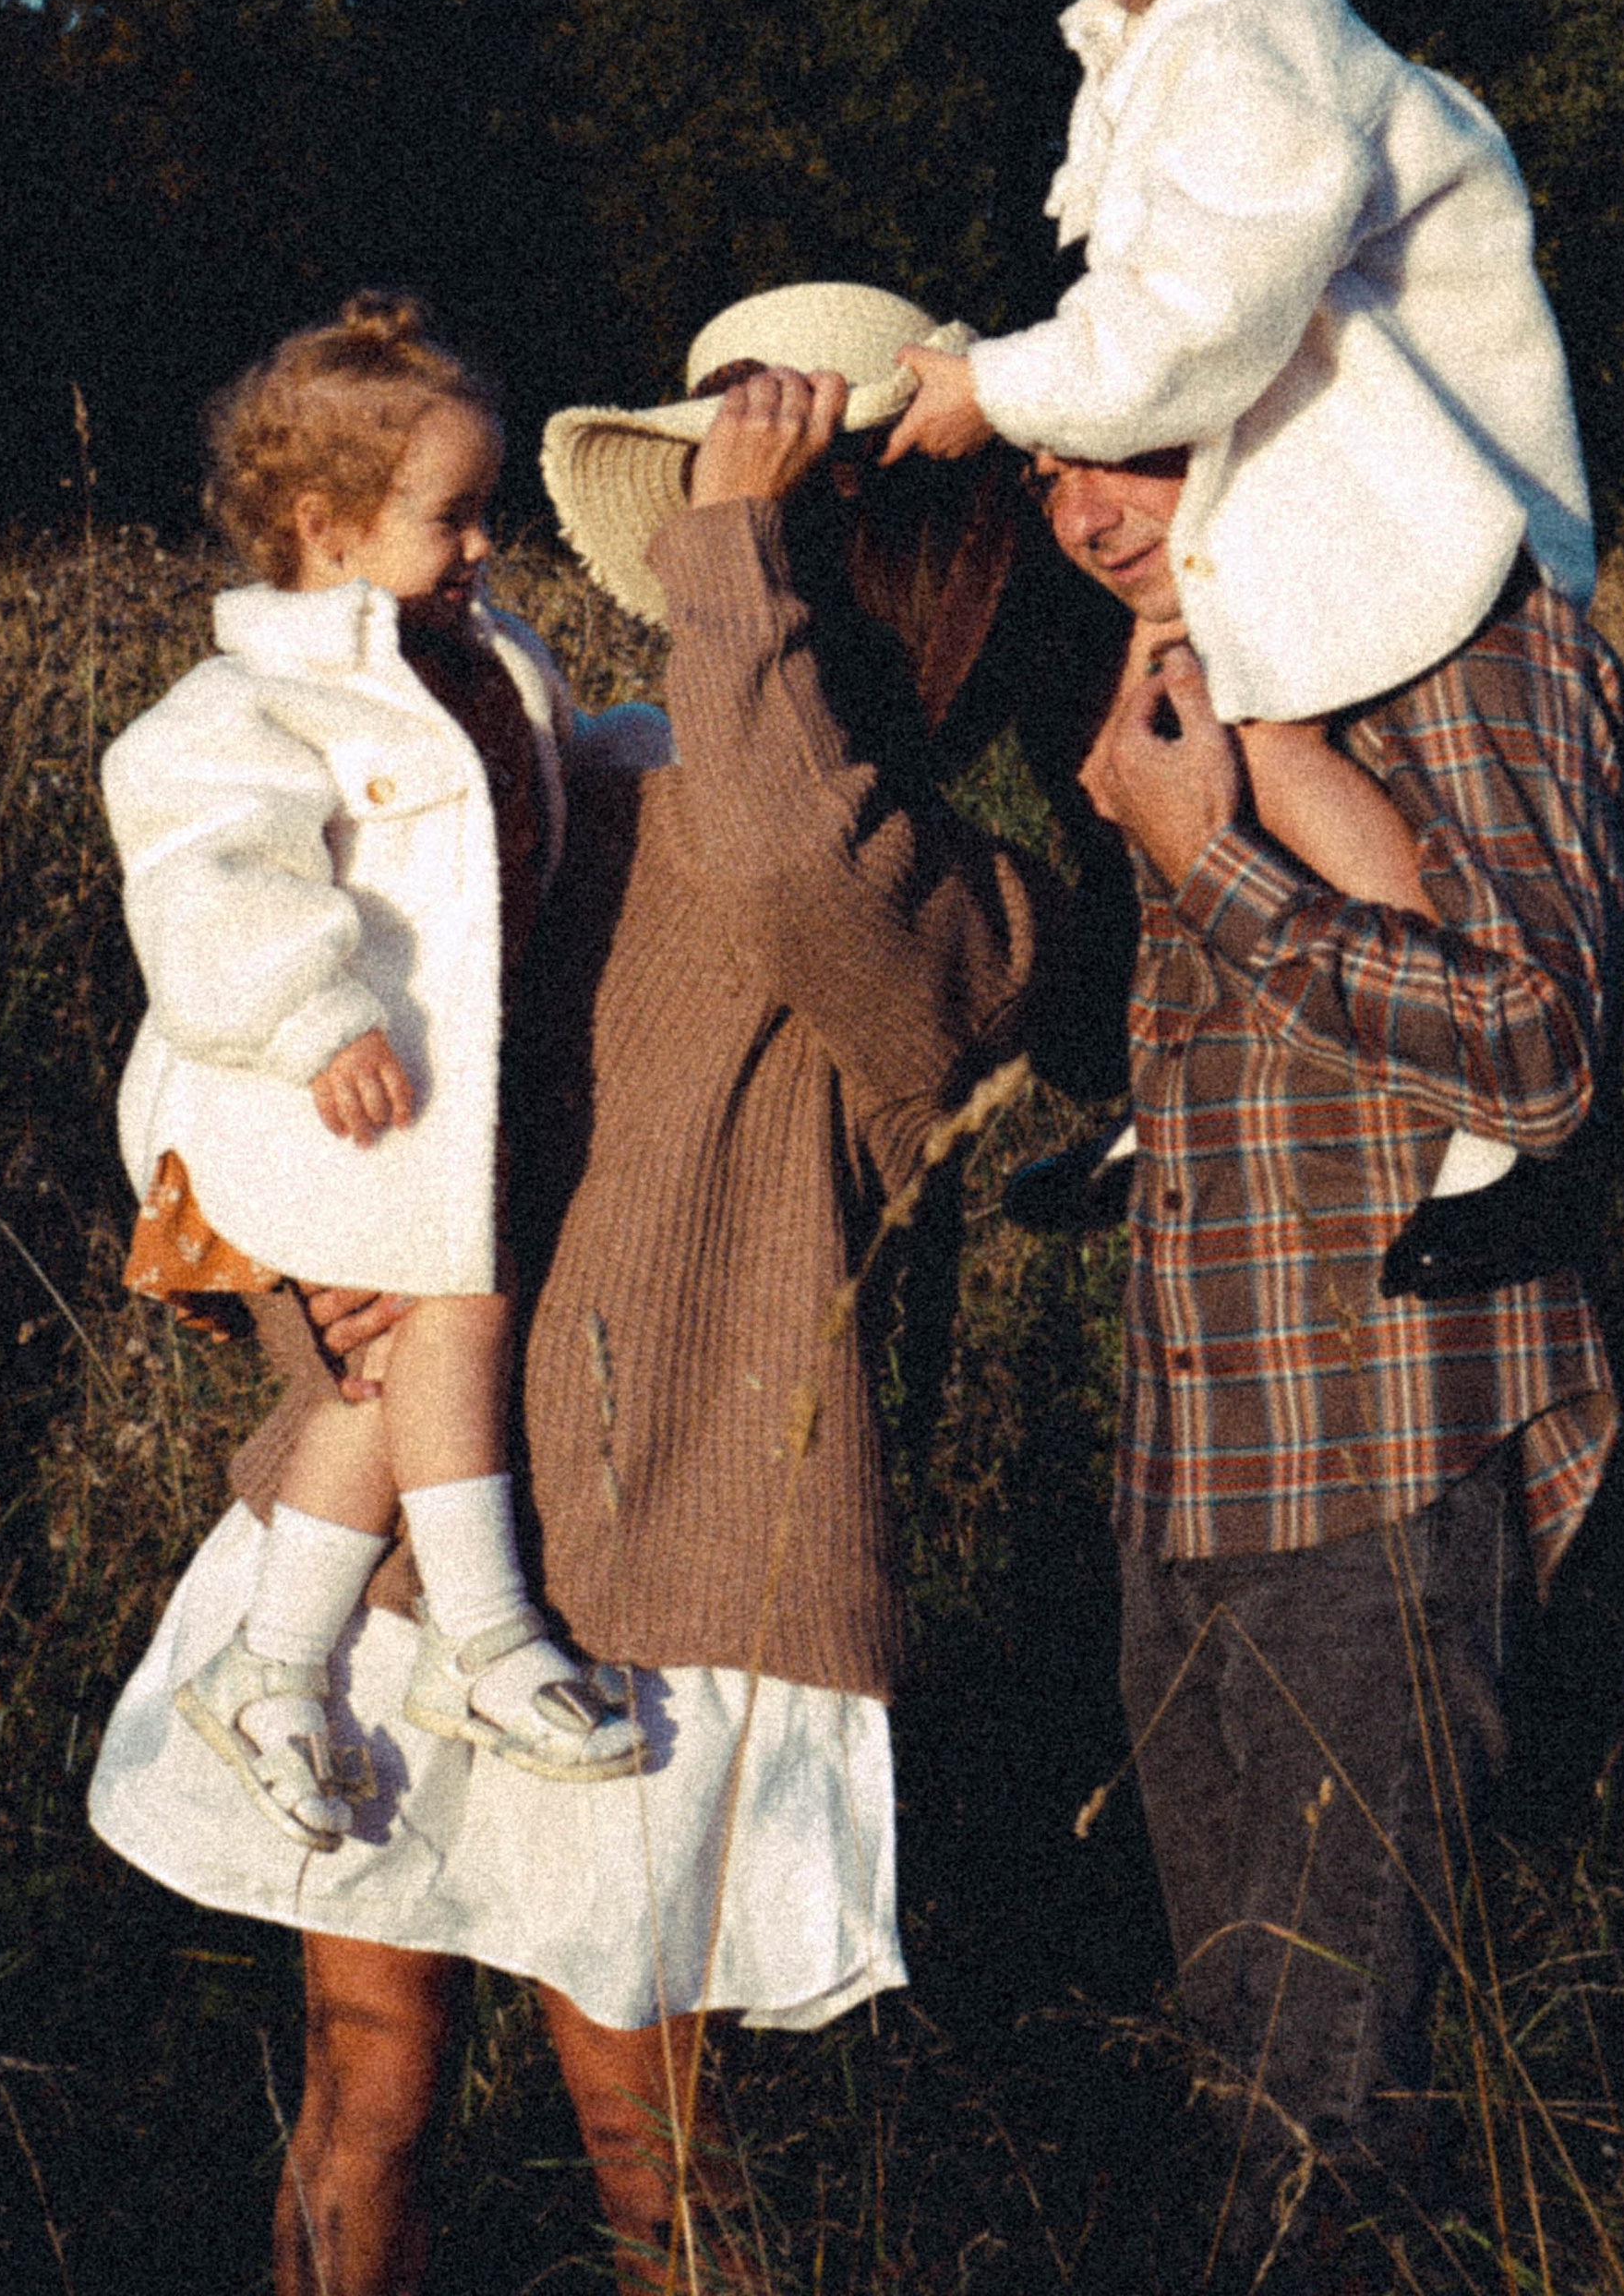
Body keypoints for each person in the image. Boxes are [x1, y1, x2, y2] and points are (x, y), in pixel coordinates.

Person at [90, 282, 1101, 2295]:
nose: (728, 571)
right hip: (401, 1534)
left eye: (794, 536)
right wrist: (302, 1281)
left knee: (643, 2137)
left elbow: (806, 859)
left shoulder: (964, 908)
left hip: (663, 1580)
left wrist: (739, 558)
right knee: (363, 2072)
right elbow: (303, 1033)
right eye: (731, 530)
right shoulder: (561, 777)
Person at [884, 0, 1598, 1283]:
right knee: (1152, 733)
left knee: (1261, 747)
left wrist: (997, 391)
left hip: (1399, 488)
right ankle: (1170, 1093)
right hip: (1292, 476)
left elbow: (1201, 317)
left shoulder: (1256, 44)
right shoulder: (1185, 40)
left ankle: (1504, 1126)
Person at [1031, 437, 1624, 2275]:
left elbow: (1537, 1052)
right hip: (1198, 1463)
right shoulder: (1196, 657)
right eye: (1052, 473)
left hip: (1372, 1465)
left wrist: (1205, 855)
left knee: (1323, 2124)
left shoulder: (1461, 647)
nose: (1084, 514)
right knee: (1244, 2090)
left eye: (1130, 457)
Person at [99, 294, 641, 1853]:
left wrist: (640, 757)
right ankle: (483, 1632)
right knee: (456, 1306)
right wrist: (312, 1005)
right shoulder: (248, 704)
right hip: (307, 1086)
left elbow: (541, 782)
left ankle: (273, 1666)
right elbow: (208, 876)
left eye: (488, 516)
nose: (484, 548)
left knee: (386, 1368)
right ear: (328, 529)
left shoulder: (482, 659)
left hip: (410, 1097)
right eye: (450, 518)